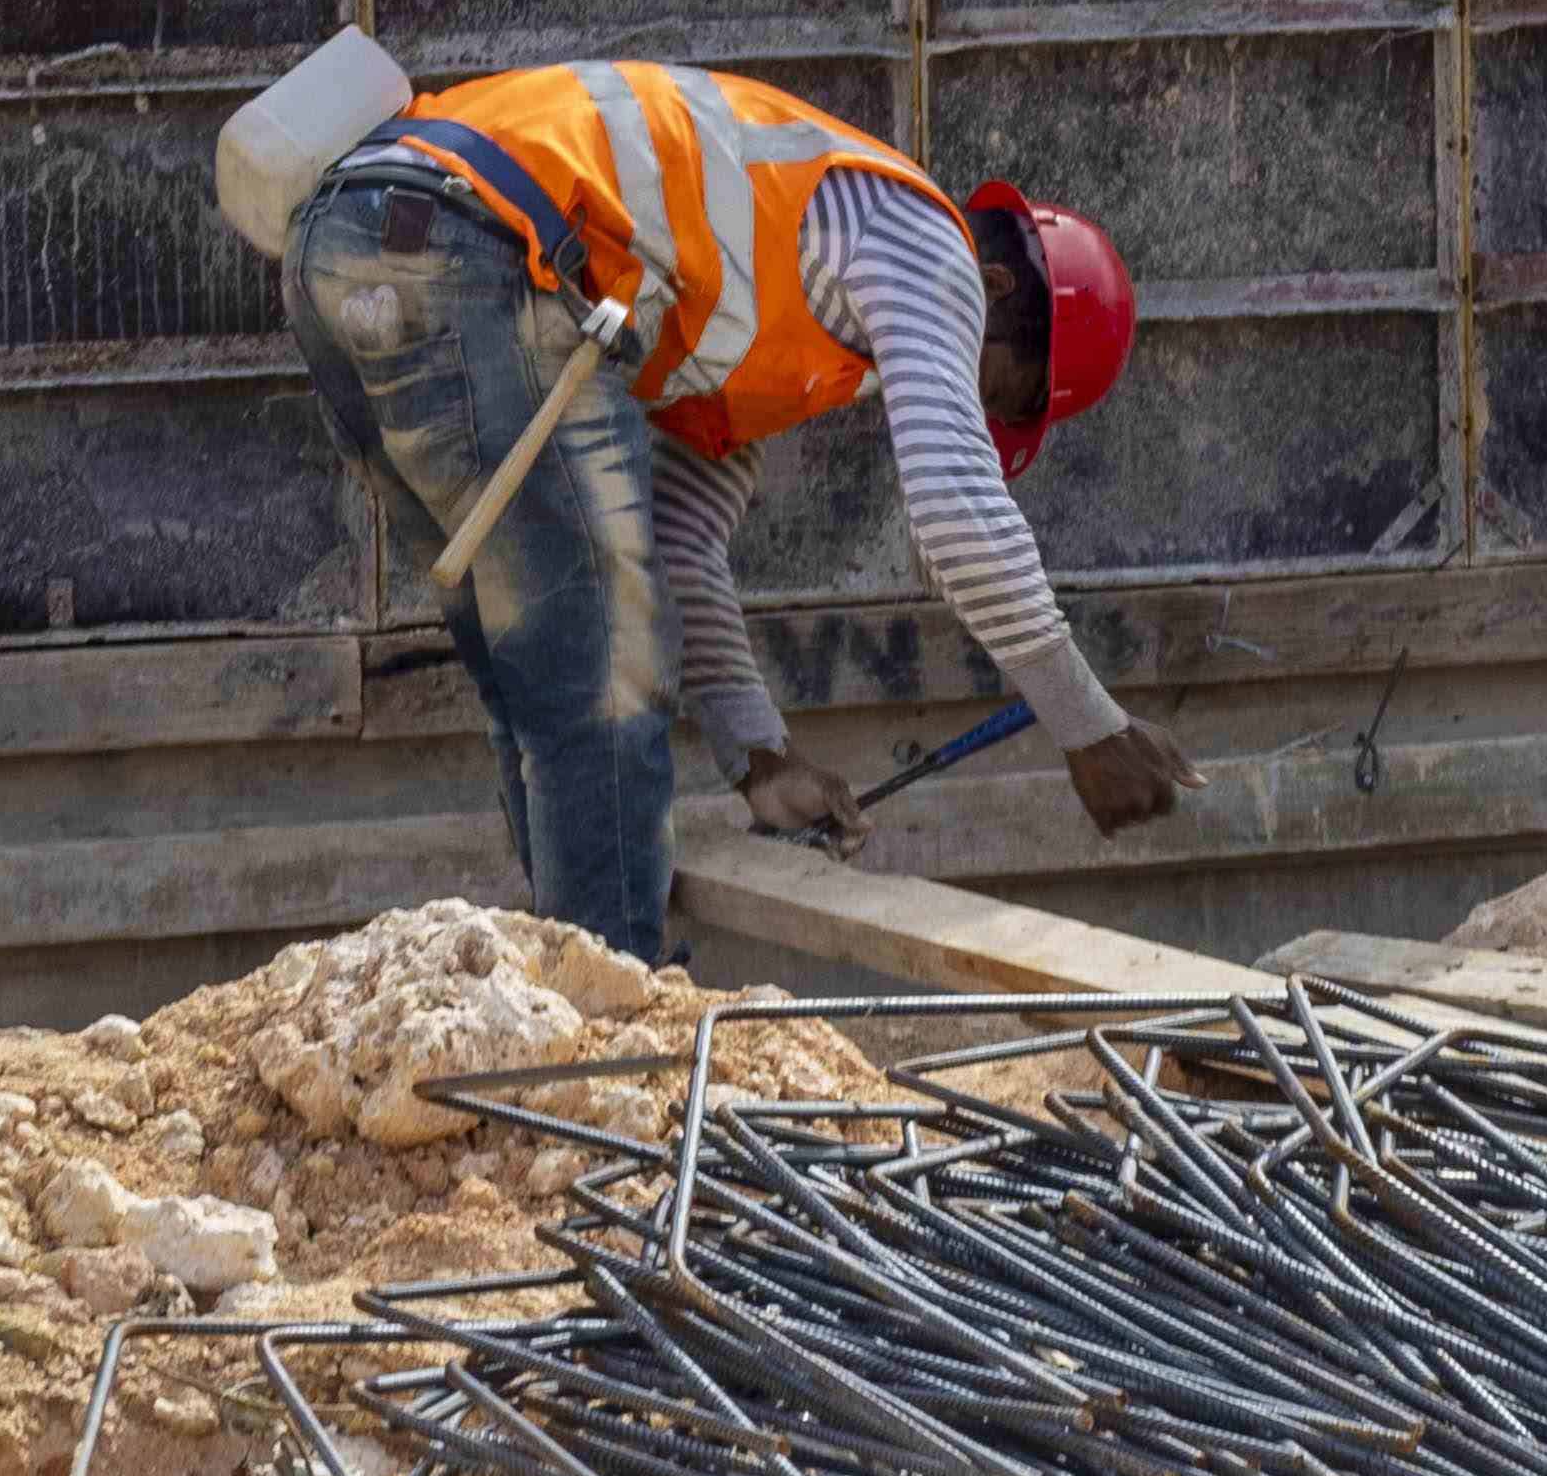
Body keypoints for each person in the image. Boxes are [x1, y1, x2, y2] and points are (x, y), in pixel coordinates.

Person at [278, 58, 1194, 965]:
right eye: (1006, 387)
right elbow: (956, 513)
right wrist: (1090, 728)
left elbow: (679, 538)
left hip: (348, 242)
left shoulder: (756, 310)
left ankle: (572, 997)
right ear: (995, 288)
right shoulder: (931, 243)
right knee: (602, 671)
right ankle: (620, 1032)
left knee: (542, 670)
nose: (977, 401)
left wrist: (761, 759)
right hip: (475, 237)